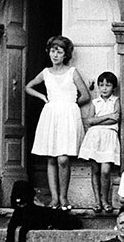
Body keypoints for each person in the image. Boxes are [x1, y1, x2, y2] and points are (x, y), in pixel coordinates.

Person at [25, 35, 90, 210]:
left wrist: (71, 106)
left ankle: (64, 197)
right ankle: (54, 198)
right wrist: (43, 97)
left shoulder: (72, 72)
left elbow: (85, 95)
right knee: (51, 158)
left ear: (65, 55)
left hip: (68, 115)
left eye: (59, 52)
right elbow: (28, 87)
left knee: (63, 159)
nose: (55, 55)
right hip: (51, 114)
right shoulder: (46, 73)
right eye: (53, 51)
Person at [78, 71, 121, 213]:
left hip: (109, 137)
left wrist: (99, 119)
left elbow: (116, 119)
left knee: (105, 170)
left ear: (113, 87)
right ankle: (97, 200)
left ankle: (105, 199)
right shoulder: (95, 102)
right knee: (95, 169)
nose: (104, 88)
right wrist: (107, 116)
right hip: (95, 138)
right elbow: (89, 120)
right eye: (101, 85)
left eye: (108, 85)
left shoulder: (116, 100)